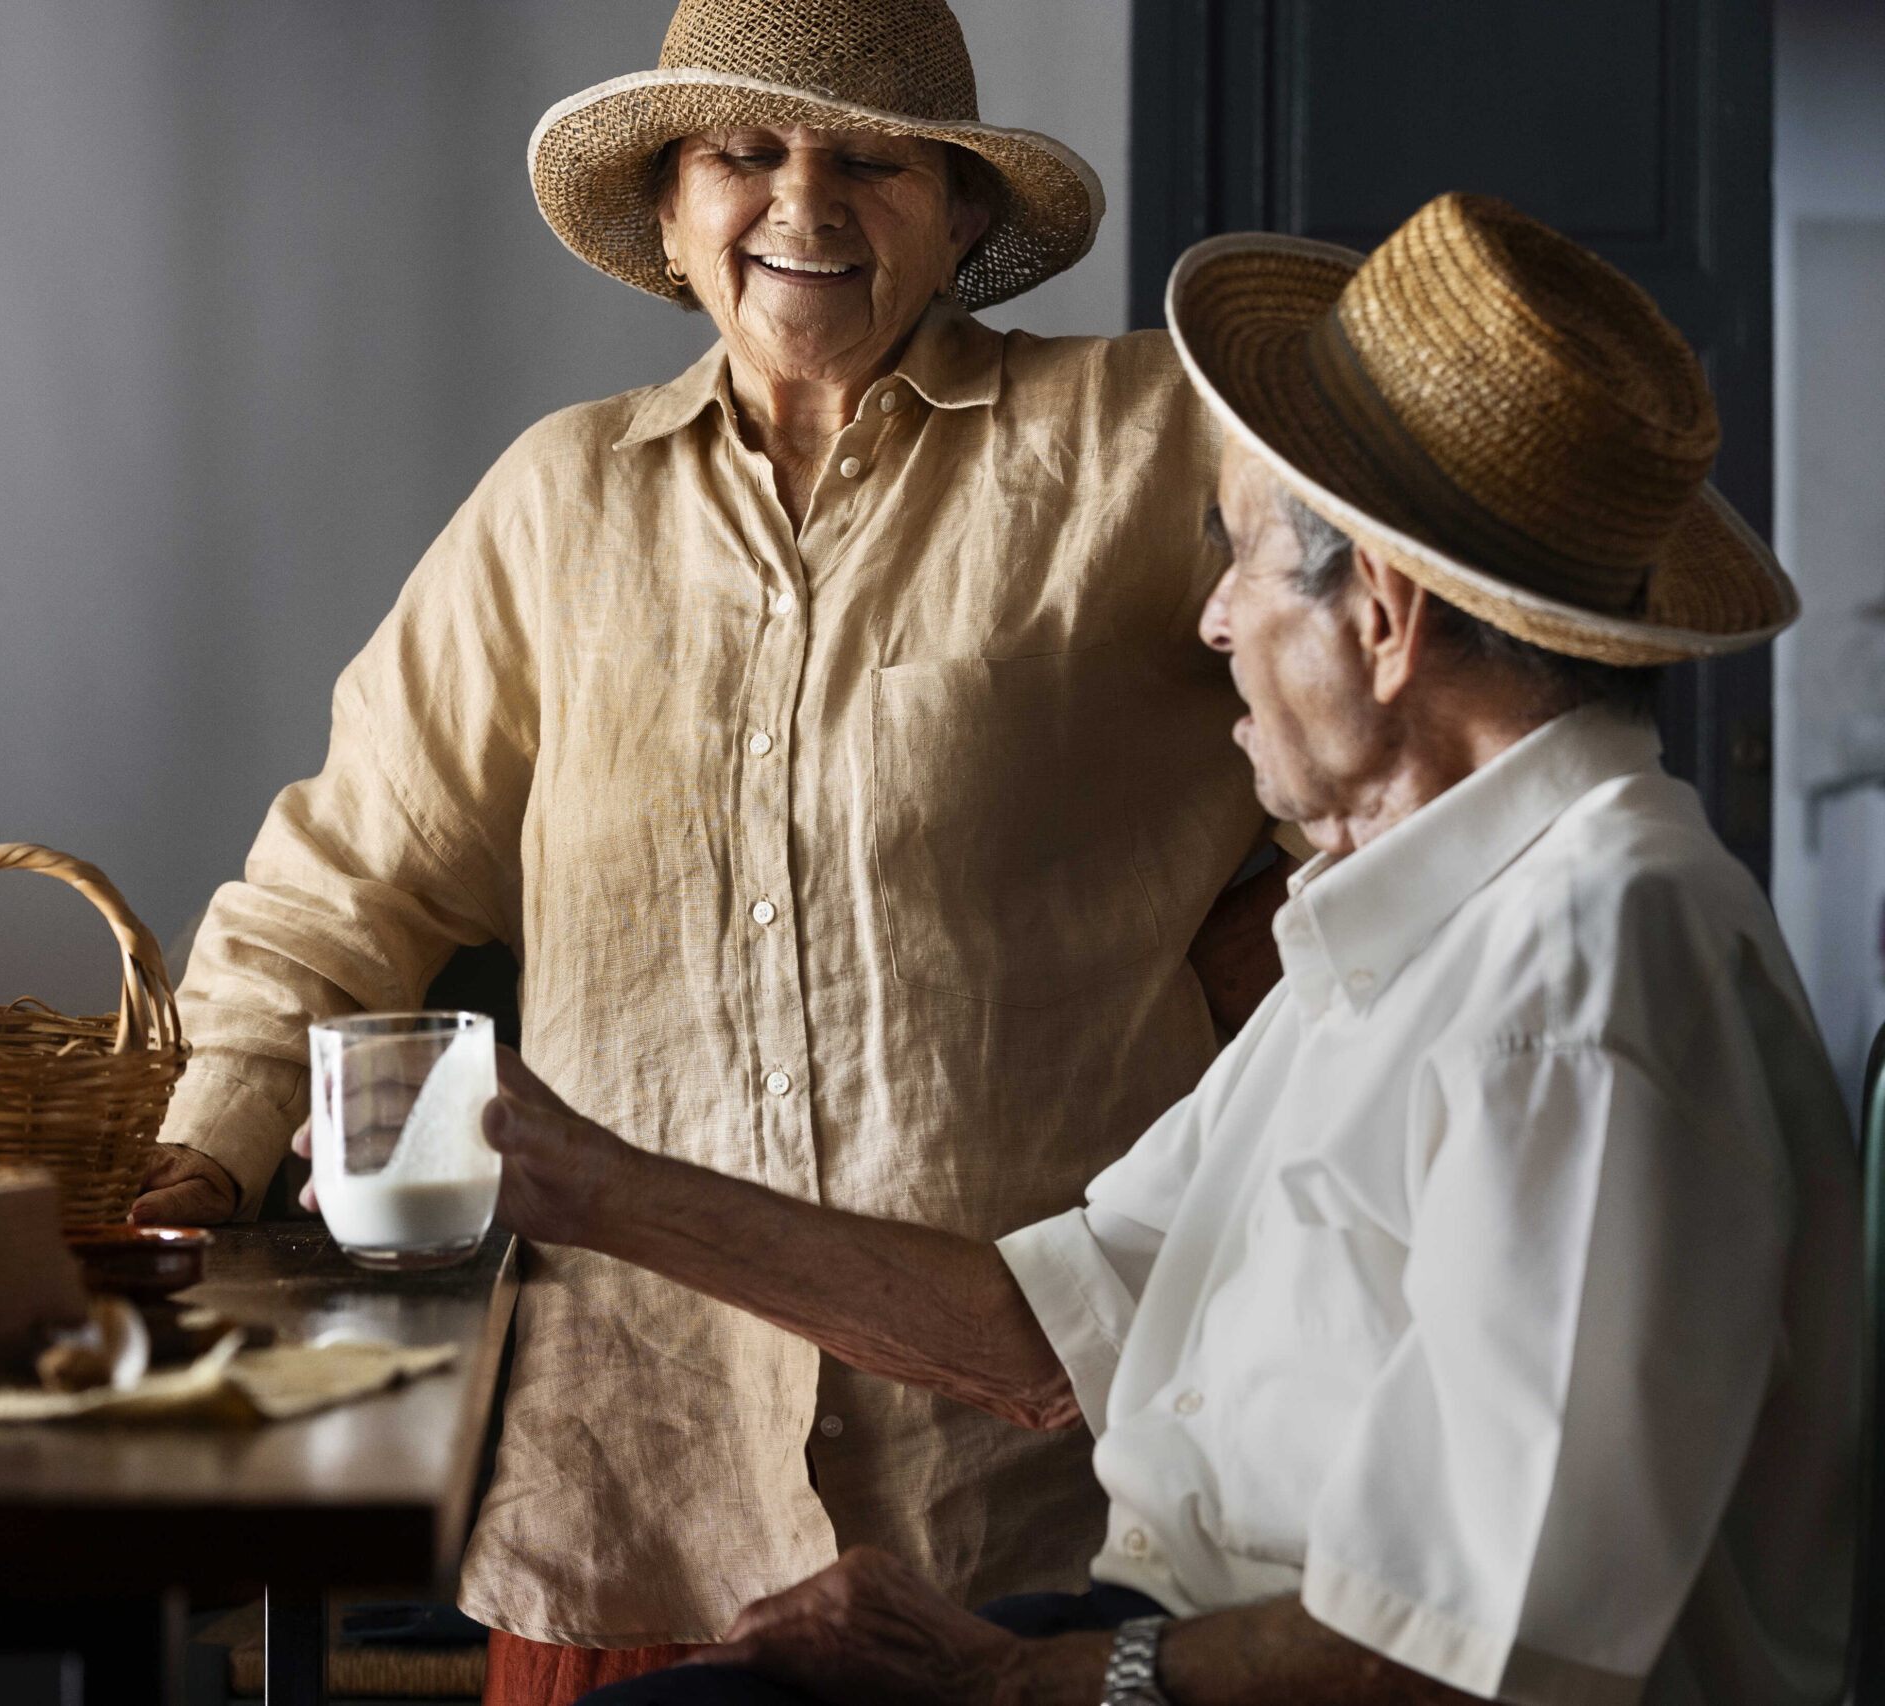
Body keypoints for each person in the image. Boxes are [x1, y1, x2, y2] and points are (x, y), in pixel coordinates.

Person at [362, 193, 1855, 1704]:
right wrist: (584, 1181)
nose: (1212, 622)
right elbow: (1035, 1332)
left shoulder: (1589, 976)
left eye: (1247, 559)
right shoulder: (1414, 928)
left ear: (1386, 619)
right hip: (1172, 1644)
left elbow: (1456, 1659)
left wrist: (1020, 1678)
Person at [137, 0, 1293, 1691]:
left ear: (965, 214)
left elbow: (1410, 670)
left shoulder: (1138, 444)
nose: (803, 209)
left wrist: (1260, 956)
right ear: (673, 216)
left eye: (870, 162)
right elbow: (344, 879)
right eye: (746, 152)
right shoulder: (557, 506)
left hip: (1023, 1511)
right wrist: (203, 1151)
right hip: (634, 1482)